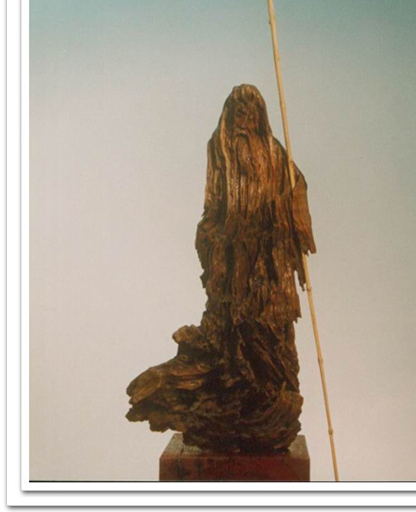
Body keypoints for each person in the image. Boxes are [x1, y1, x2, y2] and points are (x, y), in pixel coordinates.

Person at [126, 84, 316, 452]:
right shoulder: (220, 149)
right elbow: (213, 205)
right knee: (230, 344)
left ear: (260, 118)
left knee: (271, 349)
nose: (243, 121)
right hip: (231, 272)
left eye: (250, 114)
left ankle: (269, 410)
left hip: (269, 276)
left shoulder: (276, 155)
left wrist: (292, 208)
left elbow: (296, 189)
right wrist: (214, 241)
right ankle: (224, 402)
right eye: (237, 113)